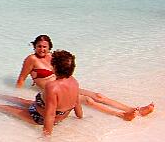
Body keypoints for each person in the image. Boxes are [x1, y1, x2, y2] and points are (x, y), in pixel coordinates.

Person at [17, 34, 154, 121]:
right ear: (34, 46)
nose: (42, 49)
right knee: (88, 100)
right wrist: (19, 91)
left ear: (50, 47)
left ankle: (133, 109)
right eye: (39, 46)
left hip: (64, 84)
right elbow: (22, 79)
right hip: (53, 90)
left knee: (98, 96)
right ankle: (121, 115)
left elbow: (64, 71)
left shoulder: (52, 57)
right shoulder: (31, 59)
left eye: (45, 47)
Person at [0, 50, 83, 136]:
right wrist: (80, 118)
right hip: (51, 112)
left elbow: (49, 115)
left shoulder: (52, 87)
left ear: (54, 67)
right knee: (16, 99)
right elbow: (76, 103)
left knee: (4, 108)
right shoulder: (74, 81)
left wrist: (46, 136)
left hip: (39, 117)